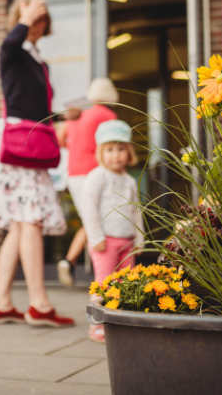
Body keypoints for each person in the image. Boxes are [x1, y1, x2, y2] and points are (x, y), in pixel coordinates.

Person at [0, 0, 74, 328]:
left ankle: (1, 302)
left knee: (20, 224)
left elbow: (31, 105)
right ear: (20, 18)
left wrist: (62, 117)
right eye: (34, 16)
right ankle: (38, 303)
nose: (39, 21)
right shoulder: (14, 51)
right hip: (16, 146)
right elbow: (7, 47)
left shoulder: (37, 59)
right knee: (31, 219)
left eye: (42, 17)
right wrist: (23, 18)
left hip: (25, 143)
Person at [79, 119, 144, 342]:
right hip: (105, 241)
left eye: (120, 149)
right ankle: (98, 325)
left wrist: (139, 238)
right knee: (104, 283)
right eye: (109, 150)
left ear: (129, 152)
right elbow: (89, 208)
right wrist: (96, 236)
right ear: (101, 152)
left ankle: (120, 322)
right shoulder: (98, 176)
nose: (115, 155)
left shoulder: (129, 181)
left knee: (125, 283)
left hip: (127, 240)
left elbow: (136, 211)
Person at [55, 78, 119, 287]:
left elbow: (60, 140)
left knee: (90, 219)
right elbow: (114, 144)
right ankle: (100, 273)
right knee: (96, 221)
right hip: (94, 172)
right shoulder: (107, 115)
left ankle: (70, 262)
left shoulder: (76, 115)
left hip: (73, 172)